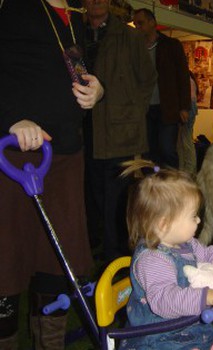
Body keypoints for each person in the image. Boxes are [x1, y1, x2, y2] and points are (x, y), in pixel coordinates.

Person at [0, 0, 104, 348]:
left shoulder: (74, 17)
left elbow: (68, 70)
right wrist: (10, 117)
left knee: (58, 260)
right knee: (6, 262)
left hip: (65, 157)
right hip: (11, 156)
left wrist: (96, 91)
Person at [118, 160, 213, 349]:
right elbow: (164, 300)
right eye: (193, 216)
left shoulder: (185, 243)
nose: (199, 220)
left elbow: (207, 254)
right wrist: (204, 297)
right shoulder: (152, 260)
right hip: (158, 339)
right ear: (164, 224)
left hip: (186, 329)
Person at [82, 0, 156, 261]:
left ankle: (117, 257)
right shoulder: (74, 34)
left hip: (120, 132)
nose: (96, 1)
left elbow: (147, 80)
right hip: (85, 131)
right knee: (91, 195)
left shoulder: (130, 36)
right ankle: (92, 248)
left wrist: (132, 110)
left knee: (117, 198)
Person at [133, 8, 192, 169]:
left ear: (152, 23)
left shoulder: (171, 45)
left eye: (141, 23)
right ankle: (152, 187)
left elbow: (182, 77)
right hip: (144, 109)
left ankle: (171, 184)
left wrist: (184, 107)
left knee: (167, 149)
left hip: (168, 108)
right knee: (147, 152)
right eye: (135, 23)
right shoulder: (135, 48)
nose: (137, 26)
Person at [177, 71, 199, 175]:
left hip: (186, 107)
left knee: (185, 141)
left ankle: (188, 170)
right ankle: (188, 170)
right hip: (191, 107)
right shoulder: (190, 79)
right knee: (186, 139)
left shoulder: (184, 79)